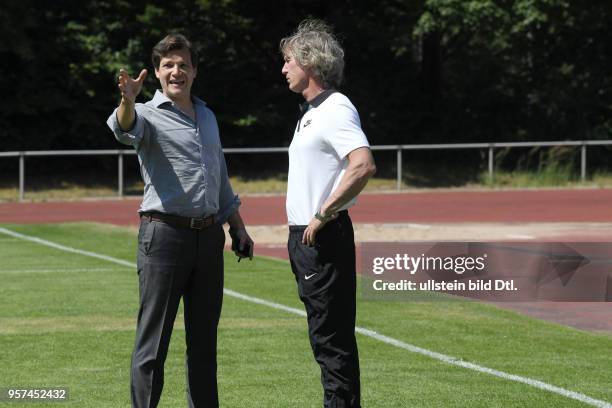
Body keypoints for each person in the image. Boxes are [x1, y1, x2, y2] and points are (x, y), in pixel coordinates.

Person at [106, 33, 253, 408]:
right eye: (168, 65)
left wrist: (237, 225)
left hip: (208, 239)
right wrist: (128, 99)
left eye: (183, 64)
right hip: (164, 237)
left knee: (204, 345)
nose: (177, 71)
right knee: (153, 345)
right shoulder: (146, 114)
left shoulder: (207, 115)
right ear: (156, 73)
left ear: (194, 71)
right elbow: (123, 129)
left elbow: (218, 174)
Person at [280, 19, 376, 408]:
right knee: (325, 339)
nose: (283, 69)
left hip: (321, 236)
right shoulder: (310, 113)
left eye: (288, 61)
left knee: (331, 340)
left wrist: (323, 212)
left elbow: (362, 164)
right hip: (306, 239)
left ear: (310, 64)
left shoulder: (335, 108)